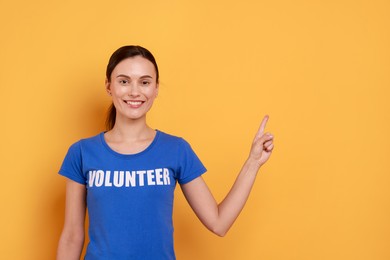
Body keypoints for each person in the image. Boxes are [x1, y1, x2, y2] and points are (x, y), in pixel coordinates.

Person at [56, 45, 274, 260]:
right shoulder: (82, 153)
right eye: (124, 81)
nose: (134, 91)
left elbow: (219, 223)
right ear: (108, 86)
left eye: (144, 82)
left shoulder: (176, 150)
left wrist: (253, 162)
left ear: (156, 88)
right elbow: (72, 236)